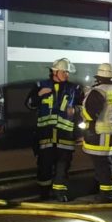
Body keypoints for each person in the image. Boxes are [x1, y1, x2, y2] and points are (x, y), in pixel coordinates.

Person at [25, 57, 84, 201]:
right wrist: (39, 95)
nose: (66, 75)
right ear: (55, 72)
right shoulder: (40, 86)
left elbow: (83, 108)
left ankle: (60, 192)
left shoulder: (74, 89)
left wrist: (76, 111)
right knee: (44, 165)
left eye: (67, 72)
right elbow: (29, 104)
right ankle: (44, 192)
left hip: (65, 135)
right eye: (64, 72)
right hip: (45, 135)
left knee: (63, 166)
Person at [80, 63, 112, 203]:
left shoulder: (98, 91)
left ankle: (107, 196)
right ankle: (104, 191)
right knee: (107, 162)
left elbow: (89, 113)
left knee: (103, 165)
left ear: (99, 77)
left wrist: (81, 116)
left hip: (100, 132)